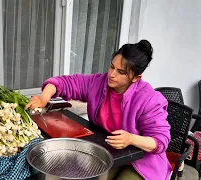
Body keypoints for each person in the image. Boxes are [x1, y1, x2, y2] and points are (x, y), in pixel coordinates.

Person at [25, 40, 171, 180]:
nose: (112, 74)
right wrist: (44, 97)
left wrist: (131, 138)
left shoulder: (149, 99)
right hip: (108, 153)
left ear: (136, 78)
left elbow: (160, 141)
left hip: (141, 163)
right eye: (112, 66)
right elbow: (65, 83)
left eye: (121, 72)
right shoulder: (98, 83)